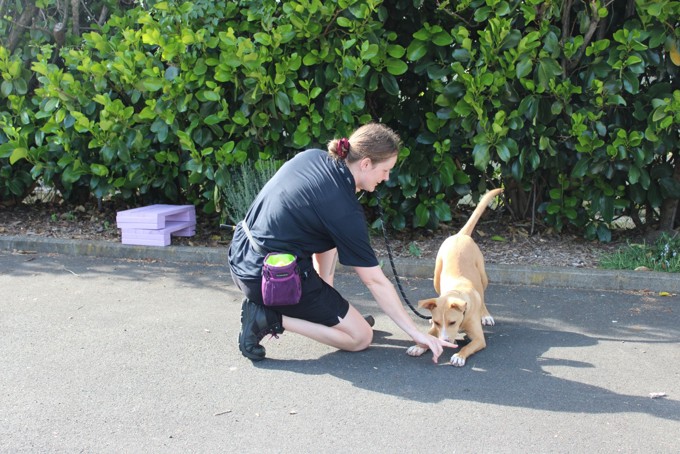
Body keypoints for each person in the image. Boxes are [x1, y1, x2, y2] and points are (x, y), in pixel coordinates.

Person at [227, 122, 454, 362]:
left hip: (241, 255)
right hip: (268, 280)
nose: (386, 178)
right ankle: (269, 318)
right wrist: (416, 333)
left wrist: (330, 307)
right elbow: (375, 281)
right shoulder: (344, 209)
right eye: (385, 170)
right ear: (365, 164)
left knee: (331, 241)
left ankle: (329, 316)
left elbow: (322, 237)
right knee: (361, 337)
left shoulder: (313, 157)